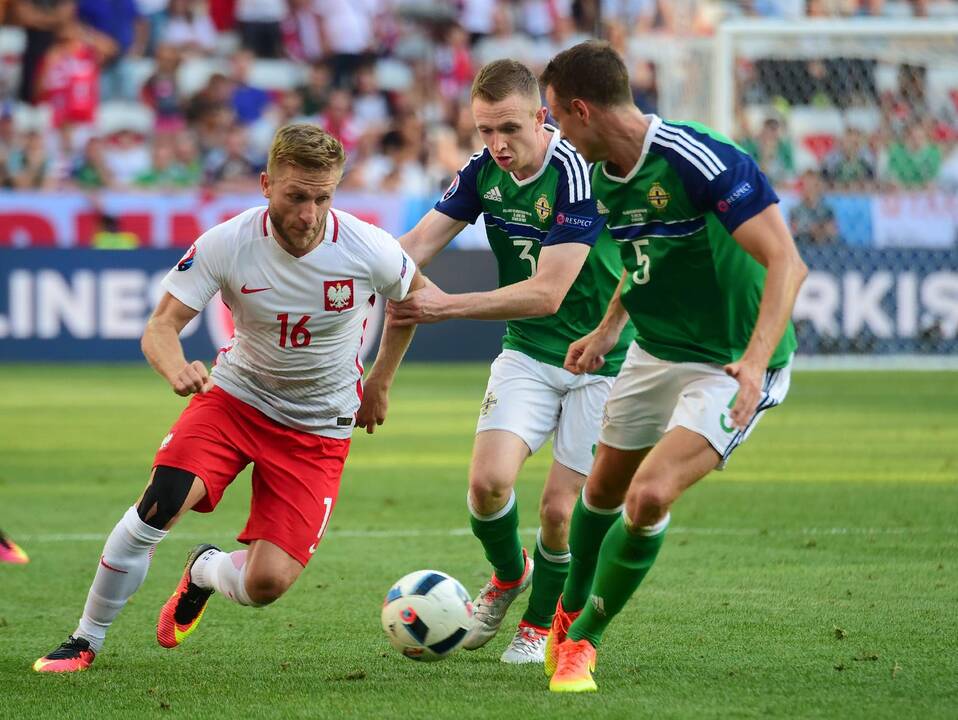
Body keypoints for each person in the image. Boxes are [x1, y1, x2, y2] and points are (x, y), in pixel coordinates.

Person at [33, 123, 422, 673]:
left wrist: (380, 381)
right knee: (160, 501)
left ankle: (204, 571)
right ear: (266, 184)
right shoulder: (227, 242)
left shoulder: (369, 247)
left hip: (319, 425)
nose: (309, 213)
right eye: (296, 196)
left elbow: (413, 301)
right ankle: (85, 638)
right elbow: (160, 327)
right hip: (236, 399)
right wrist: (176, 369)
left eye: (322, 197)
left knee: (265, 585)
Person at [538, 41, 808, 692]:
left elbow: (787, 262)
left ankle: (584, 643)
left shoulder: (697, 158)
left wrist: (752, 363)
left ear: (581, 110)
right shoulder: (603, 176)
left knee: (650, 495)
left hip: (730, 362)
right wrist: (607, 330)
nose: (555, 134)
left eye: (555, 119)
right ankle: (568, 608)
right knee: (599, 491)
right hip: (657, 348)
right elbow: (642, 263)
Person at [383, 59, 633, 664]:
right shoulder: (480, 173)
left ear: (542, 120)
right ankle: (507, 575)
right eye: (484, 131)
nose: (497, 145)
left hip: (601, 361)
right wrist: (339, 265)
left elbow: (548, 292)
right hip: (527, 350)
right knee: (488, 484)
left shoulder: (578, 176)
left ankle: (539, 623)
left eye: (510, 130)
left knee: (556, 511)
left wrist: (447, 307)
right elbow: (414, 246)